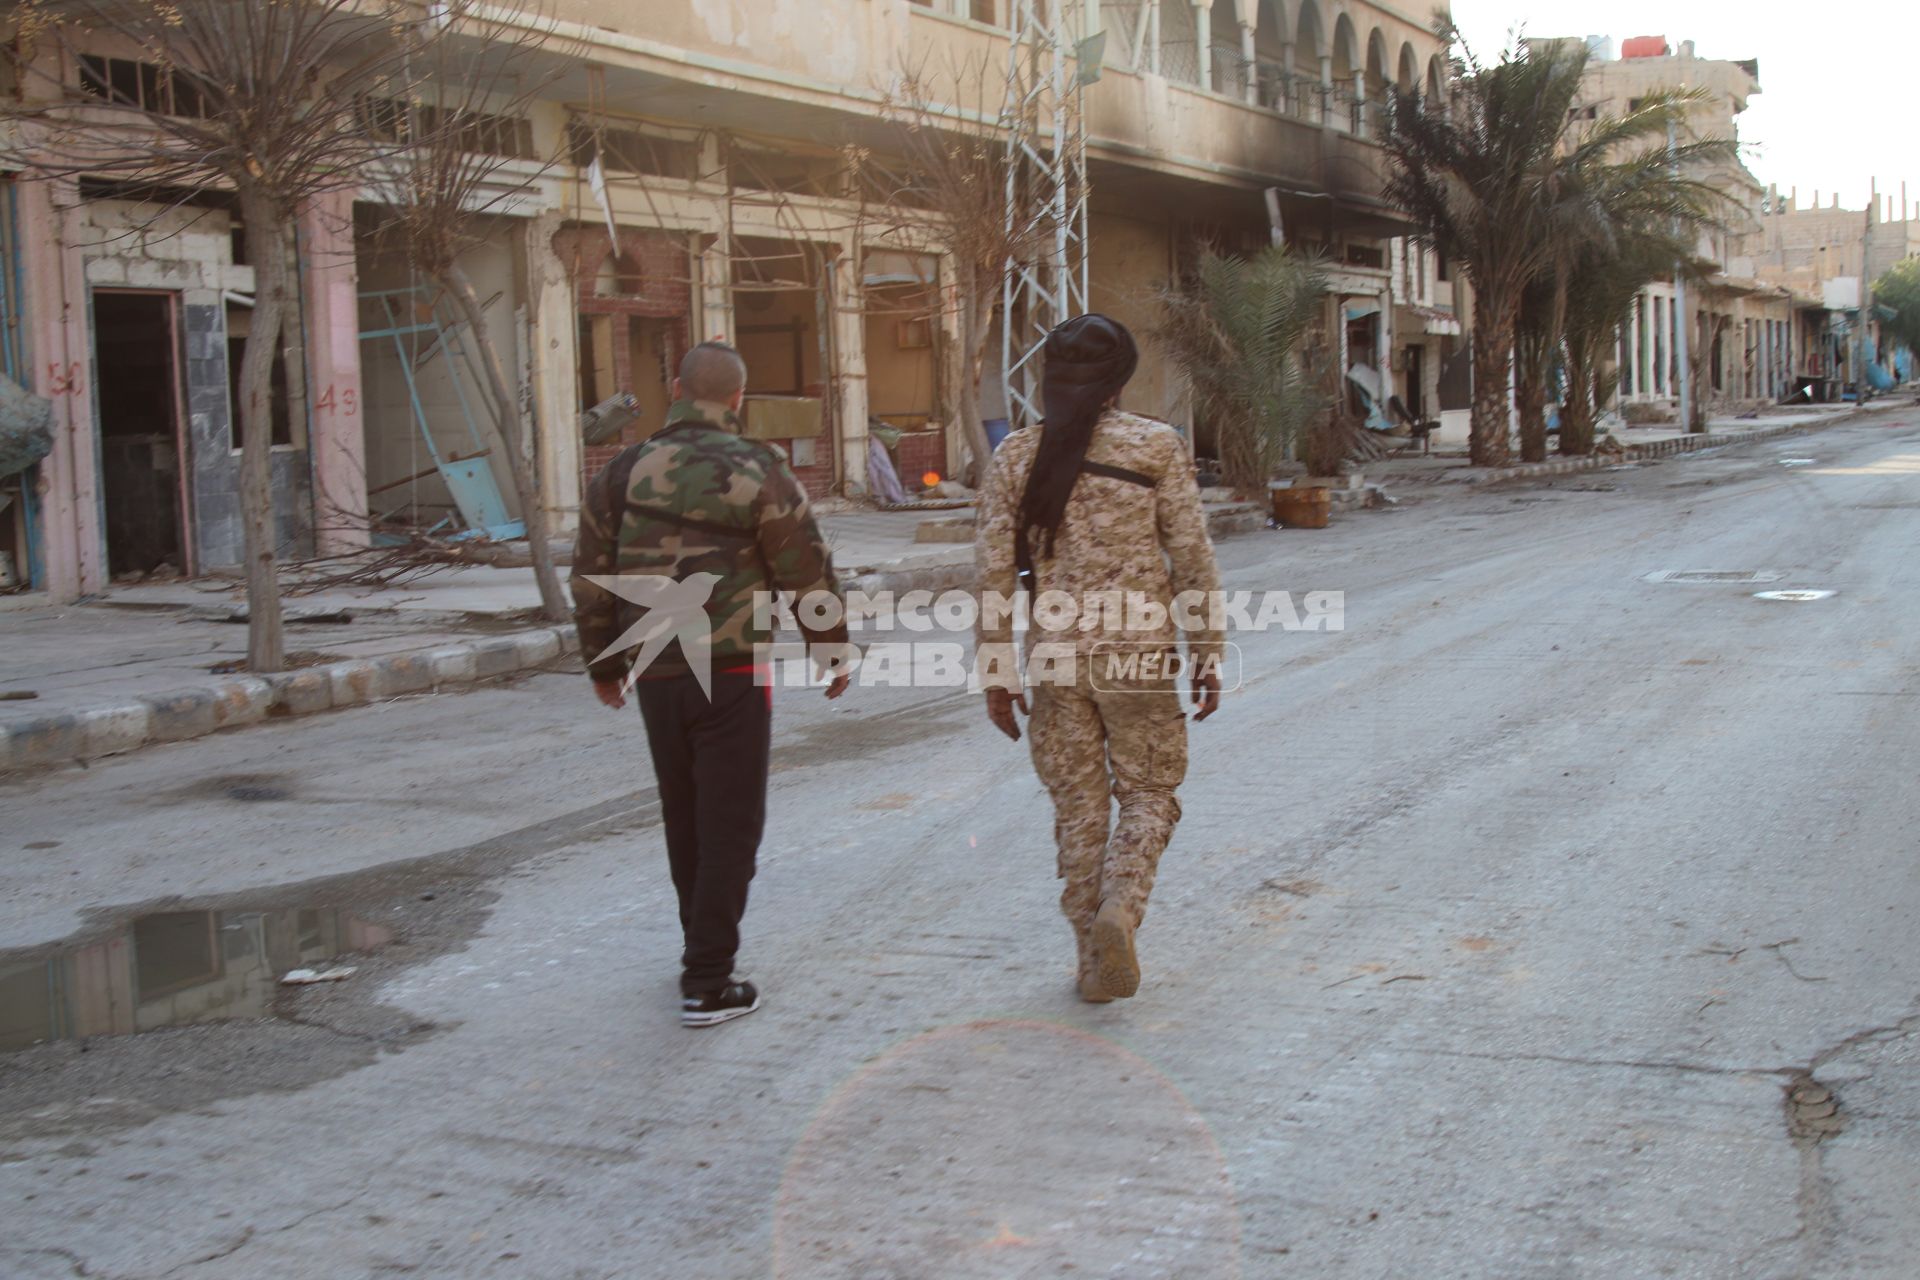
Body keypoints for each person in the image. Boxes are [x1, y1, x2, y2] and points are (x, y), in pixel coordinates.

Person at [571, 342, 849, 1028]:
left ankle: (699, 951)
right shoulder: (760, 466)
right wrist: (832, 648)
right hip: (731, 668)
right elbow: (804, 567)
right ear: (738, 399)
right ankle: (708, 979)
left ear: (674, 388)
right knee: (731, 821)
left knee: (687, 811)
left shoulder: (622, 470)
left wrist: (604, 667)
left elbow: (588, 575)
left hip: (657, 667)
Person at [975, 315, 1223, 1004]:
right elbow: (1194, 558)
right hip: (1139, 656)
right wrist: (1206, 652)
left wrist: (997, 675)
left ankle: (1092, 957)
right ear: (1121, 379)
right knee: (1147, 793)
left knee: (1079, 808)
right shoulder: (1157, 447)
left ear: (1048, 376)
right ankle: (1122, 905)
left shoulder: (1017, 456)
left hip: (1056, 661)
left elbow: (994, 574)